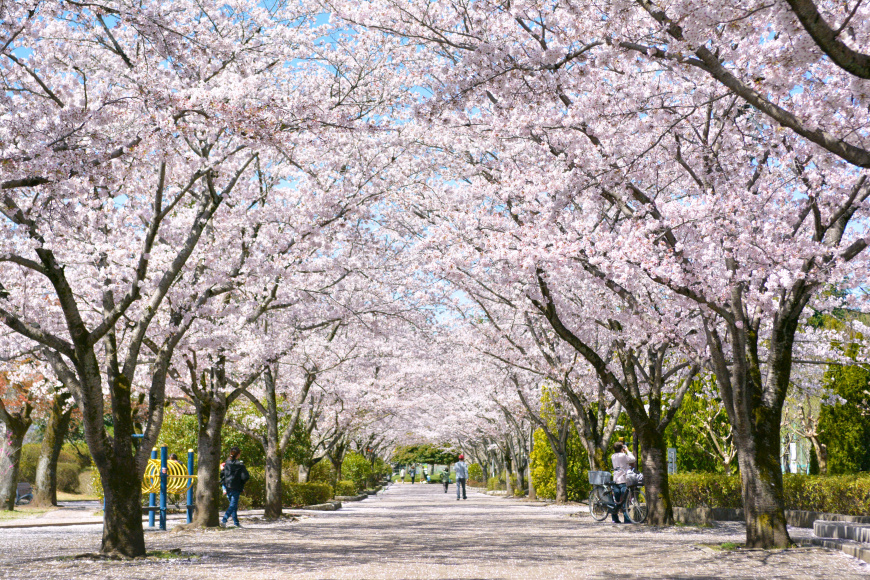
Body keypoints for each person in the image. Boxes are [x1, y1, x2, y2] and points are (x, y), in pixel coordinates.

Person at [220, 446, 250, 528]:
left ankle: (236, 523)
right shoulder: (240, 465)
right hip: (236, 487)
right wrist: (242, 483)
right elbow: (245, 477)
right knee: (233, 505)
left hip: (227, 486)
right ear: (238, 454)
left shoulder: (227, 463)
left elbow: (222, 475)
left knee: (233, 505)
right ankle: (224, 520)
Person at [610, 441, 636, 524]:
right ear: (622, 448)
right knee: (625, 500)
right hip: (623, 479)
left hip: (616, 479)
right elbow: (632, 459)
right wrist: (627, 450)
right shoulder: (623, 455)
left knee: (617, 500)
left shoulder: (613, 456)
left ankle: (614, 518)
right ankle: (626, 519)